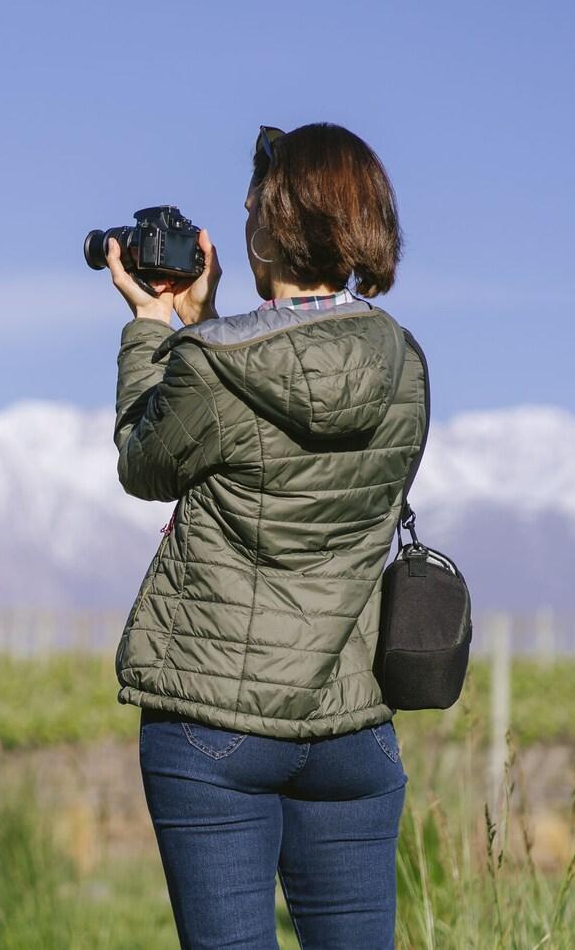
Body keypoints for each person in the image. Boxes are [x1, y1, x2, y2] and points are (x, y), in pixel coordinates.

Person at [102, 122, 424, 950]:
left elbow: (146, 461)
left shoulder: (213, 365)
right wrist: (205, 333)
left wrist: (156, 329)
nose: (244, 214)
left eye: (253, 204)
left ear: (274, 226)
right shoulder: (405, 364)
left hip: (215, 719)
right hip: (353, 724)